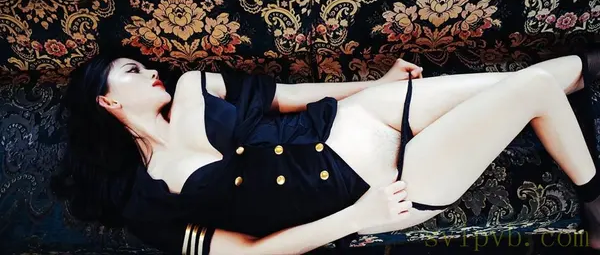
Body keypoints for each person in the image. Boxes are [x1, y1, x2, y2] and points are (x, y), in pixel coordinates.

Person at [51, 47, 600, 255]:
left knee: (545, 76)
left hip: (359, 116)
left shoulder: (197, 85)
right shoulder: (145, 201)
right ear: (106, 101)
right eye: (132, 71)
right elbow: (250, 253)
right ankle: (597, 204)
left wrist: (373, 85)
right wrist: (357, 218)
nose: (151, 71)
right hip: (381, 186)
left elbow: (288, 97)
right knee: (533, 88)